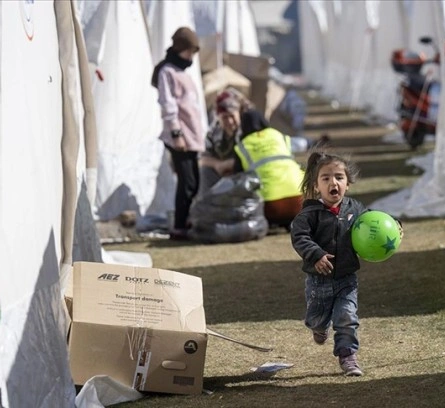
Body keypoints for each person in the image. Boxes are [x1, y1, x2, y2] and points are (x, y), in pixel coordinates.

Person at [290, 151, 367, 376]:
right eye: (326, 178)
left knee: (347, 317)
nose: (333, 182)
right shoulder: (310, 213)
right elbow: (300, 237)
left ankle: (348, 356)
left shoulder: (355, 209)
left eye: (339, 177)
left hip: (346, 278)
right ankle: (318, 327)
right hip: (318, 281)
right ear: (316, 186)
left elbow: (373, 222)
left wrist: (394, 225)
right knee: (317, 318)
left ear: (348, 183)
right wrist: (316, 255)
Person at [201, 88, 304, 229]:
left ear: (239, 114)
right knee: (205, 172)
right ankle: (209, 215)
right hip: (300, 198)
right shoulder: (278, 136)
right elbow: (202, 158)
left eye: (232, 116)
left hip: (252, 186)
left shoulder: (248, 134)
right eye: (225, 118)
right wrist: (218, 164)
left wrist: (229, 164)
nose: (230, 121)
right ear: (218, 118)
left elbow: (243, 167)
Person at [152, 27, 204, 240]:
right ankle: (179, 226)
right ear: (181, 48)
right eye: (189, 51)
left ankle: (187, 220)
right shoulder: (167, 71)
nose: (191, 56)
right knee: (187, 182)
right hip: (180, 137)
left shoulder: (182, 72)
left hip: (192, 136)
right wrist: (176, 132)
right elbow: (168, 104)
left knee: (194, 182)